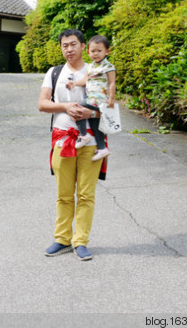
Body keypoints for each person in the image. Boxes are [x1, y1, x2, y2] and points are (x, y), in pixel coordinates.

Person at [37, 29, 108, 261]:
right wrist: (66, 107)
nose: (69, 49)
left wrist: (89, 112)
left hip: (90, 140)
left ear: (82, 46)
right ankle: (62, 238)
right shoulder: (54, 72)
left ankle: (81, 241)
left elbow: (109, 103)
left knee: (86, 195)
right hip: (63, 139)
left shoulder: (96, 69)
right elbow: (42, 104)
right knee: (64, 194)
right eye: (64, 45)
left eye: (73, 44)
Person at [66, 35, 116, 162]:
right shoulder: (90, 67)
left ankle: (84, 135)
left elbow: (112, 83)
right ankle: (102, 148)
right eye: (93, 51)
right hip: (91, 98)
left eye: (99, 51)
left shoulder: (109, 66)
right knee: (95, 124)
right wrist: (74, 83)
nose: (96, 54)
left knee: (76, 107)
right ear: (88, 52)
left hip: (99, 99)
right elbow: (85, 80)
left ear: (107, 51)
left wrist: (111, 99)